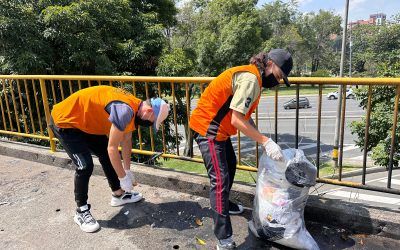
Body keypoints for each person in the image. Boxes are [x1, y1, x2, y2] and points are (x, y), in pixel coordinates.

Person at [189, 49, 293, 249]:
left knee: (230, 164)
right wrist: (264, 141)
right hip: (208, 129)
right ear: (270, 64)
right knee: (219, 181)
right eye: (279, 76)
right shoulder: (251, 80)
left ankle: (225, 205)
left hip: (218, 130)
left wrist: (263, 140)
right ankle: (224, 239)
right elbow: (237, 120)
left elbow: (243, 116)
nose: (278, 82)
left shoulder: (254, 77)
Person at [50, 85, 169, 233]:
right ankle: (81, 211)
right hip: (65, 122)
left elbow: (126, 140)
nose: (150, 125)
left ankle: (118, 194)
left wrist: (127, 170)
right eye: (152, 122)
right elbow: (112, 148)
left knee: (106, 157)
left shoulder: (136, 106)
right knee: (84, 166)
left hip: (86, 123)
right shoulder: (125, 111)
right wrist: (122, 177)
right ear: (150, 111)